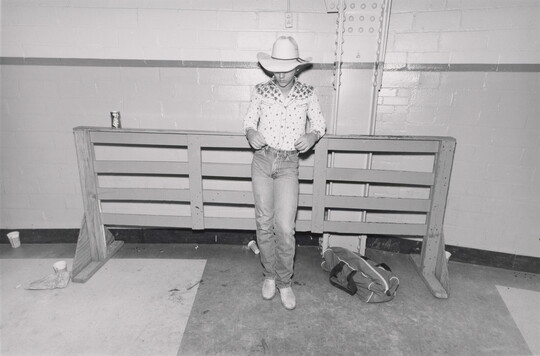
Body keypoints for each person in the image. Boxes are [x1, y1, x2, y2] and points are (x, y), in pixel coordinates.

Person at [243, 36, 326, 310]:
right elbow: (248, 122)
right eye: (276, 68)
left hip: (289, 163)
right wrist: (252, 132)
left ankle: (285, 282)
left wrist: (312, 136)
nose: (280, 74)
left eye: (287, 68)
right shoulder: (260, 90)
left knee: (285, 228)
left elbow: (320, 123)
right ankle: (268, 276)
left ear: (297, 68)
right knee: (264, 223)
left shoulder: (308, 93)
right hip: (263, 160)